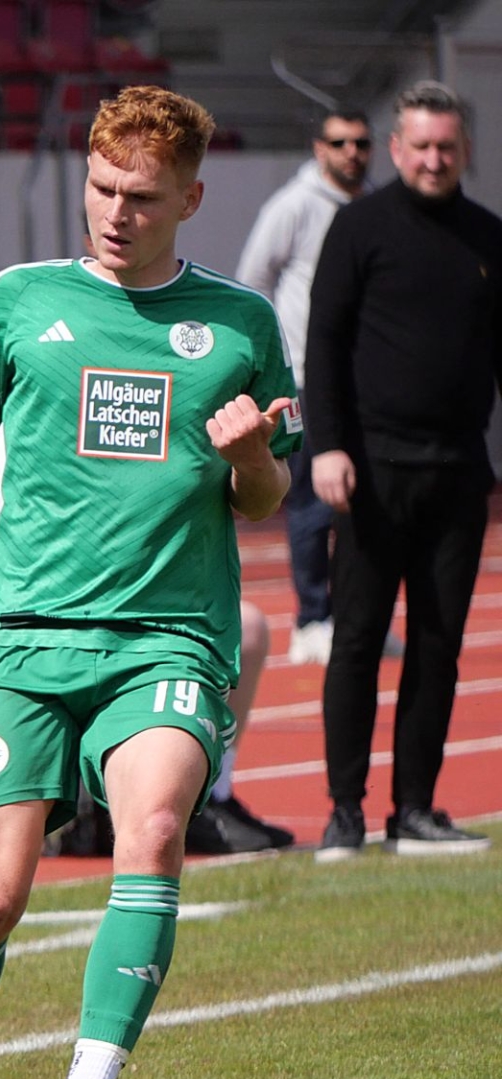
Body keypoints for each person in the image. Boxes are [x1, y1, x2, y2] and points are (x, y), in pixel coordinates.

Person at [0, 86, 297, 1079]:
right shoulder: (19, 300)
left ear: (191, 200)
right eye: (103, 189)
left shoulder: (244, 324)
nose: (117, 212)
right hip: (23, 637)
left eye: (143, 197)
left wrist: (249, 453)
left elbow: (264, 494)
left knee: (155, 827)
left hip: (169, 637)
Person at [304, 81, 499, 861]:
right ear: (395, 148)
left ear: (466, 151)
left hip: (458, 474)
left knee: (439, 645)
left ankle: (414, 807)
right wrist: (327, 446)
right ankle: (343, 812)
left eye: (446, 147)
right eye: (419, 146)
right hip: (372, 473)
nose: (432, 159)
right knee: (356, 642)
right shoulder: (358, 228)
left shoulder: (490, 238)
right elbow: (323, 343)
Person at [0, 427, 292, 855]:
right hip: (32, 618)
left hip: (123, 605)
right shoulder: (19, 430)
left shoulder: (110, 415)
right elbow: (10, 568)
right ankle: (65, 801)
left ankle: (210, 799)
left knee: (246, 628)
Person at [236, 109, 375, 667]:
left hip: (365, 378)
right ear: (319, 148)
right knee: (313, 502)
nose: (352, 152)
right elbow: (252, 282)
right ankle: (313, 618)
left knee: (362, 505)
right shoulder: (292, 206)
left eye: (361, 142)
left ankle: (352, 615)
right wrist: (277, 355)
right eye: (340, 142)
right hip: (304, 379)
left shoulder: (374, 207)